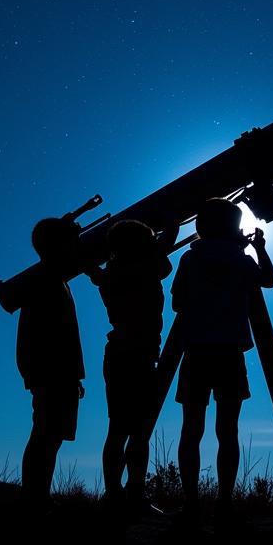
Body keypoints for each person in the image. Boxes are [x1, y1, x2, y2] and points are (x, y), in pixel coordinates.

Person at [171, 198, 273, 524]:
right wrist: (258, 248)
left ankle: (190, 503)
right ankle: (224, 502)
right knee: (227, 431)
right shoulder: (242, 261)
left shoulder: (190, 259)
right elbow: (268, 280)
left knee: (191, 430)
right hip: (230, 353)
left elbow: (177, 302)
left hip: (197, 351)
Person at [88, 219, 178, 517]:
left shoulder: (112, 273)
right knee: (136, 431)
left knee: (122, 428)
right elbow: (163, 264)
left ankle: (118, 495)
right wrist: (172, 226)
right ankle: (130, 496)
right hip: (135, 354)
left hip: (124, 352)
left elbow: (159, 263)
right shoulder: (138, 269)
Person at [17, 216, 85, 507]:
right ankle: (35, 500)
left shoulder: (52, 279)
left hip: (58, 374)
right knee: (45, 436)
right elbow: (41, 334)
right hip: (51, 374)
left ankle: (37, 498)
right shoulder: (45, 281)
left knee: (50, 437)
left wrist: (75, 377)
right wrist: (39, 375)